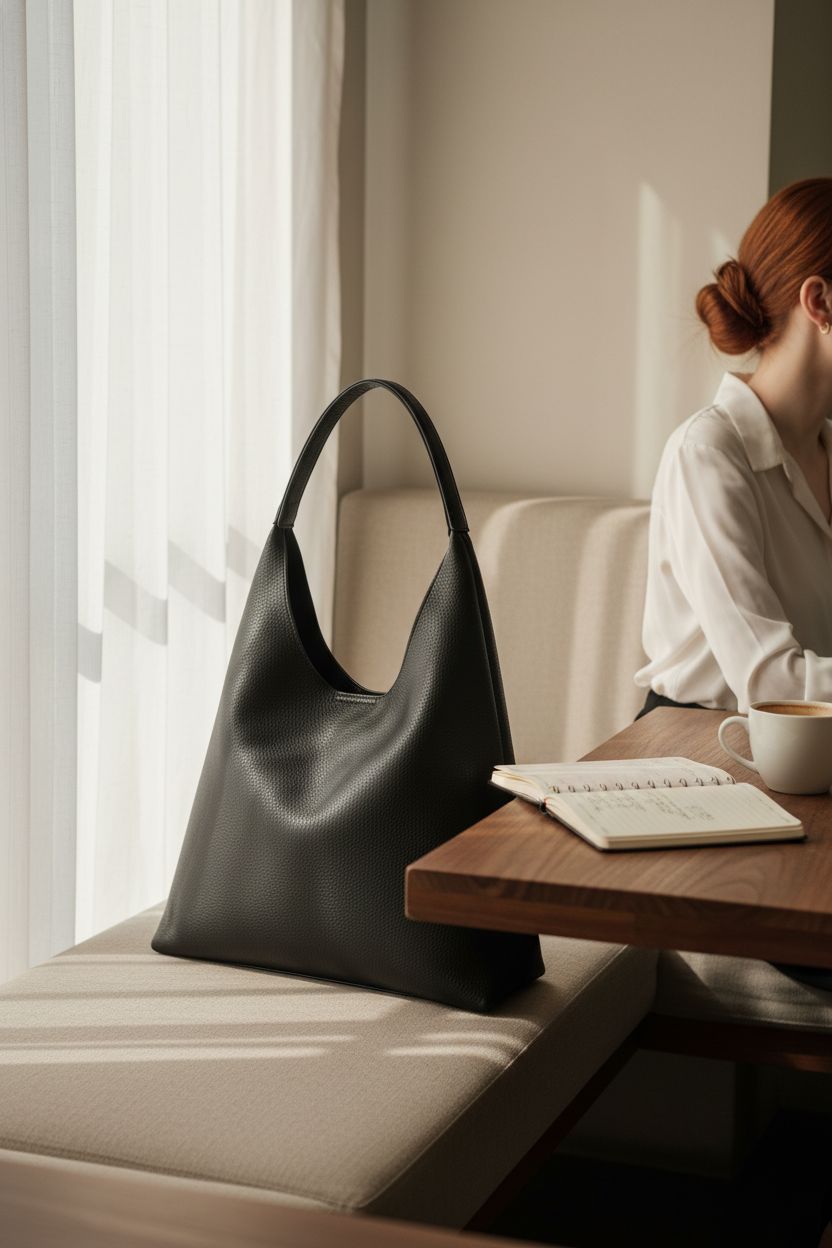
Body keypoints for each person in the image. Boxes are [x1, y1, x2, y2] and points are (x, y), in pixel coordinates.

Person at [635, 177, 832, 991]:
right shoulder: (706, 453)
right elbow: (773, 683)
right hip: (708, 766)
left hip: (809, 764)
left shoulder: (824, 447)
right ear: (820, 300)